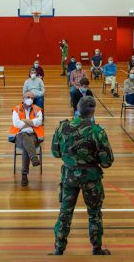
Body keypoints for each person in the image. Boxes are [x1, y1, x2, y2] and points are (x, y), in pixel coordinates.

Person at [51, 96, 113, 256]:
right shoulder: (97, 131)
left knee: (65, 212)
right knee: (94, 213)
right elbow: (107, 162)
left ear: (77, 109)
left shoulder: (63, 127)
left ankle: (59, 248)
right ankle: (97, 248)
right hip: (91, 178)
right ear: (93, 112)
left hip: (69, 176)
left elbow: (55, 153)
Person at [10, 91, 44, 186]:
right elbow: (16, 123)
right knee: (25, 136)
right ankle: (33, 158)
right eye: (28, 97)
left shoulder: (37, 109)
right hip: (19, 136)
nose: (30, 99)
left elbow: (38, 122)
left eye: (32, 98)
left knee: (26, 146)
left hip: (34, 136)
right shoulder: (16, 109)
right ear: (23, 98)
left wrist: (24, 121)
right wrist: (31, 123)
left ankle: (24, 175)